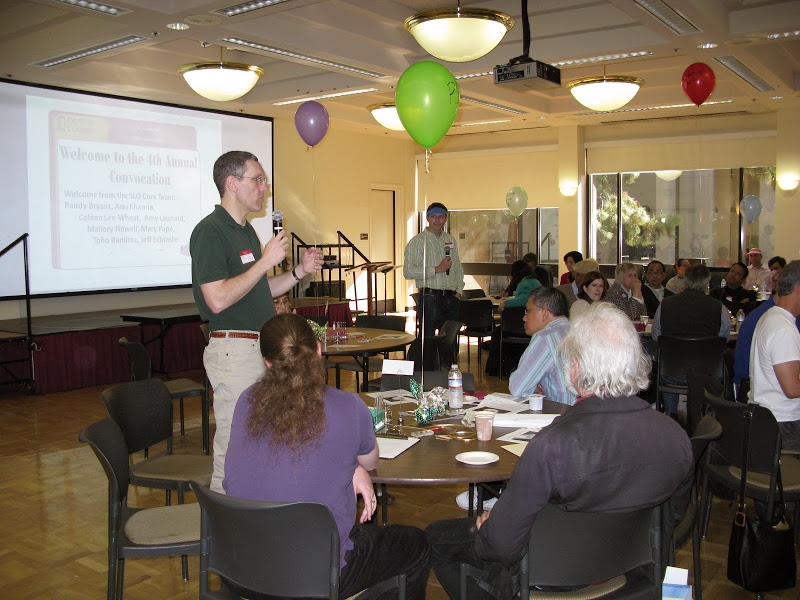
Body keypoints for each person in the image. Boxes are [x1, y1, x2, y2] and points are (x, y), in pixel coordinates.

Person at [426, 302, 693, 600]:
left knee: (437, 537)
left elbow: (501, 546)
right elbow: (671, 516)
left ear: (575, 367)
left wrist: (491, 529)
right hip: (633, 569)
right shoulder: (676, 438)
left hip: (549, 575)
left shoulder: (551, 445)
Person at [224, 314, 431, 598]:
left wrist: (351, 467)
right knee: (414, 543)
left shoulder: (246, 402)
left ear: (267, 363)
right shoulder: (347, 406)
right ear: (319, 350)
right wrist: (356, 466)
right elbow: (371, 462)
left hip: (241, 569)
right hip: (314, 577)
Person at [190, 150, 323, 491]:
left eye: (264, 180)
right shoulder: (210, 231)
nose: (265, 187)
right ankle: (223, 529)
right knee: (234, 443)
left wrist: (297, 271)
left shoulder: (246, 232)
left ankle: (255, 514)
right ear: (232, 183)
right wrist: (264, 262)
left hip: (258, 349)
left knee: (263, 436)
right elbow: (217, 299)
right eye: (258, 179)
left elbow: (259, 288)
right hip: (233, 351)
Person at [651, 264, 731, 417]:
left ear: (685, 280)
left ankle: (671, 412)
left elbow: (656, 335)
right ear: (707, 282)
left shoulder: (666, 304)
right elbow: (723, 338)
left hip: (671, 373)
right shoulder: (718, 307)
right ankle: (707, 414)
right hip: (708, 373)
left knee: (667, 356)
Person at [750, 261, 800, 451]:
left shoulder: (772, 316)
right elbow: (792, 389)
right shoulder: (784, 329)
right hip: (784, 423)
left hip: (767, 418)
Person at [733, 262, 800, 394]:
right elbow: (792, 389)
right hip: (780, 411)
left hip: (763, 400)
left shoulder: (769, 315)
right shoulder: (783, 329)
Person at [404, 202, 464, 339]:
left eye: (441, 217)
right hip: (430, 298)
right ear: (427, 218)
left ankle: (448, 362)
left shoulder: (450, 239)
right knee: (428, 342)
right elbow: (408, 271)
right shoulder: (417, 242)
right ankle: (429, 361)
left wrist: (459, 291)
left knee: (450, 343)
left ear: (446, 218)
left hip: (451, 298)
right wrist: (436, 269)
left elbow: (458, 268)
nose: (437, 220)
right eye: (433, 217)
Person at [508, 287, 575, 406]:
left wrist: (532, 388)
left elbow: (518, 388)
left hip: (563, 415)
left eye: (527, 311)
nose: (524, 318)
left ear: (544, 313)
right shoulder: (575, 330)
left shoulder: (546, 338)